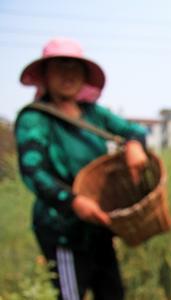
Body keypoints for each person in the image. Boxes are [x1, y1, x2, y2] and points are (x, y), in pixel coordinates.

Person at [15, 37, 149, 300]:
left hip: (99, 223)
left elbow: (133, 130)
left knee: (112, 292)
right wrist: (74, 202)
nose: (68, 74)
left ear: (84, 75)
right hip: (63, 228)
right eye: (60, 66)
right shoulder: (35, 118)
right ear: (45, 74)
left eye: (74, 67)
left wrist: (135, 143)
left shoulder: (93, 113)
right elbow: (33, 172)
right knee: (71, 293)